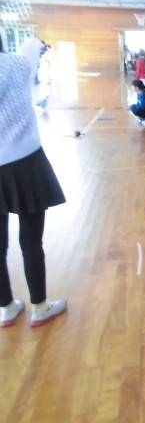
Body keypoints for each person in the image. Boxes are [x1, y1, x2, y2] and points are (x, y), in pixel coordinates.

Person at [0, 35, 67, 328]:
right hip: (27, 161)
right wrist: (37, 41)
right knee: (30, 241)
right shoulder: (17, 63)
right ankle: (39, 307)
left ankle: (6, 307)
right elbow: (32, 45)